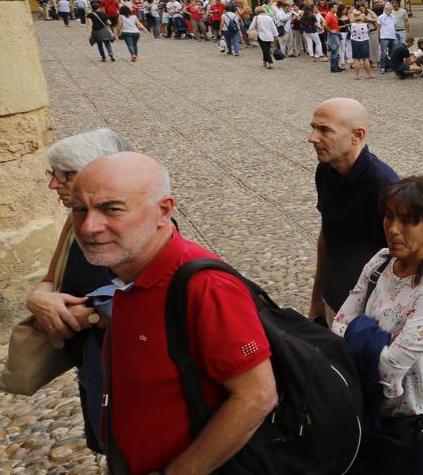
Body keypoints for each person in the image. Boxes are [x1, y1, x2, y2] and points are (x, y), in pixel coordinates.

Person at [70, 153, 276, 474]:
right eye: (79, 209)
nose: (88, 226)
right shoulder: (127, 266)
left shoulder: (206, 286)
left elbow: (257, 397)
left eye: (112, 209)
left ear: (163, 211)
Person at [332, 177, 423, 475]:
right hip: (372, 416)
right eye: (389, 216)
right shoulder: (381, 263)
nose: (393, 229)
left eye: (407, 221)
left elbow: (391, 366)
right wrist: (378, 340)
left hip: (418, 428)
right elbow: (338, 325)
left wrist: (361, 334)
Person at [26, 129, 133, 453]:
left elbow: (159, 302)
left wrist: (84, 317)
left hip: (131, 362)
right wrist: (37, 298)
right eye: (52, 174)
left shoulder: (142, 227)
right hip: (91, 356)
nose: (52, 184)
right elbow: (49, 279)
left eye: (63, 175)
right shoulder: (74, 222)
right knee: (107, 438)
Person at [308, 98, 400, 322]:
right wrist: (317, 296)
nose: (312, 139)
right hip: (334, 299)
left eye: (324, 130)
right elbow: (327, 235)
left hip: (369, 312)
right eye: (313, 128)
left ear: (357, 135)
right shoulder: (325, 171)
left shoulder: (384, 185)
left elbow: (406, 256)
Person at [348, 10, 375, 79]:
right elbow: (369, 30)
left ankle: (357, 75)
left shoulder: (351, 25)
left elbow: (350, 31)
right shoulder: (366, 25)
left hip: (355, 41)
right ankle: (368, 74)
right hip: (364, 41)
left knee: (356, 59)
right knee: (366, 58)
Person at [377, 2, 397, 73]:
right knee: (384, 52)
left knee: (392, 52)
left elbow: (394, 26)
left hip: (392, 36)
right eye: (389, 9)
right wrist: (379, 36)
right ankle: (383, 66)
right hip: (384, 36)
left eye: (391, 9)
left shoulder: (394, 17)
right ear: (385, 9)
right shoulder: (380, 17)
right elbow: (378, 28)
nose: (390, 11)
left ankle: (391, 66)